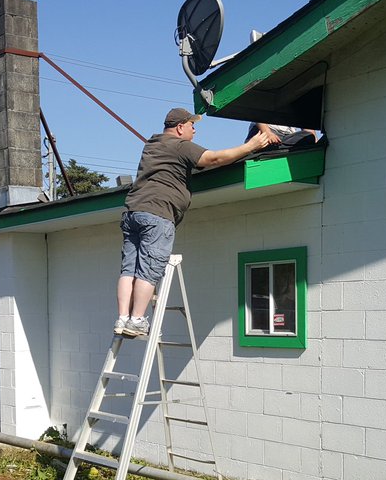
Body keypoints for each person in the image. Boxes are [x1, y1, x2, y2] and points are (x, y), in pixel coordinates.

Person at [115, 108, 272, 337]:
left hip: (133, 212)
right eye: (192, 125)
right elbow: (214, 159)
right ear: (180, 127)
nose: (194, 130)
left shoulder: (153, 145)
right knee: (148, 271)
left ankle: (122, 318)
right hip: (158, 214)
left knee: (129, 269)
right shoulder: (180, 146)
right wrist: (251, 147)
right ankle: (137, 320)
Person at [246, 122, 321, 148]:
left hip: (286, 137)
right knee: (265, 142)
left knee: (308, 137)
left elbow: (307, 127)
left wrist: (314, 142)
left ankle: (278, 147)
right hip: (265, 131)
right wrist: (267, 133)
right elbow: (258, 114)